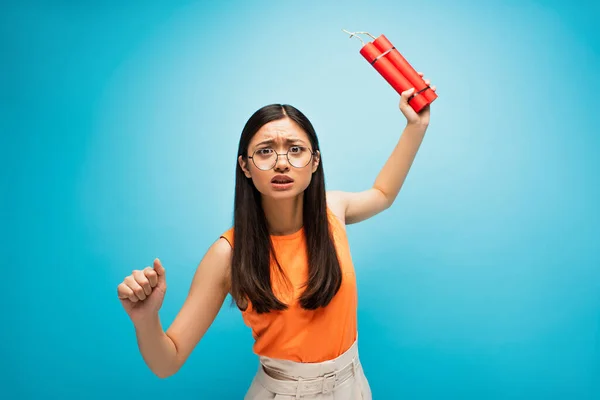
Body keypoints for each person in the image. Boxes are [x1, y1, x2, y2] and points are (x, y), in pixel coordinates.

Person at [117, 74, 436, 399]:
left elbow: (382, 194)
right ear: (245, 166)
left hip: (351, 386)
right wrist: (146, 319)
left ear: (314, 161)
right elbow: (166, 362)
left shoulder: (333, 210)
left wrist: (416, 126)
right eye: (266, 151)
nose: (281, 163)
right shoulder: (227, 254)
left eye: (295, 149)